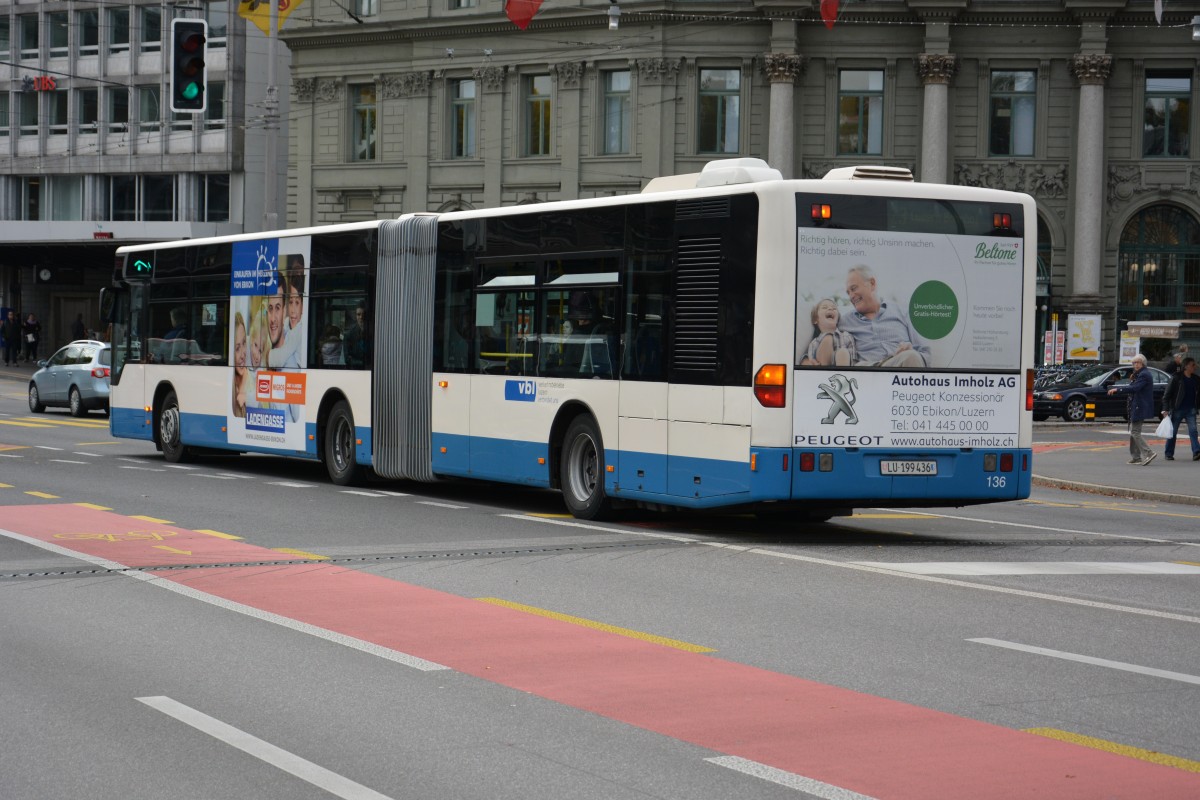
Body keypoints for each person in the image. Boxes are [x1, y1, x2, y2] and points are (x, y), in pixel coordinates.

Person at [839, 265, 931, 368]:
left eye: (854, 288)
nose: (851, 296)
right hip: (868, 371)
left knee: (912, 356)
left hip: (899, 368)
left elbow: (925, 353)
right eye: (848, 292)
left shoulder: (903, 312)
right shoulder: (844, 321)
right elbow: (825, 335)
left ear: (872, 284)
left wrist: (911, 351)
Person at [1107, 353, 1156, 465]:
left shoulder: (1144, 374)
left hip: (1140, 406)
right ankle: (1136, 457)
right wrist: (1134, 377)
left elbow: (1135, 388)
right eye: (1134, 363)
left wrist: (1117, 390)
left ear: (1143, 363)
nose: (1136, 365)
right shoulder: (1139, 374)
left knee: (1135, 432)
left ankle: (1148, 453)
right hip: (1137, 405)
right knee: (1134, 432)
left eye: (1138, 362)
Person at [1161, 355, 1200, 461]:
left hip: (1191, 409)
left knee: (1193, 431)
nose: (1195, 367)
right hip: (1177, 409)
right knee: (1172, 432)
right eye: (1193, 365)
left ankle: (1196, 452)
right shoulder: (1176, 378)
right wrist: (1165, 409)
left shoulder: (1196, 379)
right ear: (1186, 366)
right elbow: (1167, 395)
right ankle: (1169, 453)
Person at [801, 298, 857, 367]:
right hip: (821, 370)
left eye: (834, 308)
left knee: (842, 353)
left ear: (838, 320)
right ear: (815, 319)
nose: (830, 309)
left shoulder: (847, 336)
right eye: (824, 307)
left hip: (843, 371)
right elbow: (812, 362)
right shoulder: (814, 343)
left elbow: (853, 362)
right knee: (827, 339)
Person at [231, 311, 249, 418]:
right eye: (237, 348)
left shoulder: (252, 378)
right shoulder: (228, 385)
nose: (243, 354)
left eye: (244, 343)